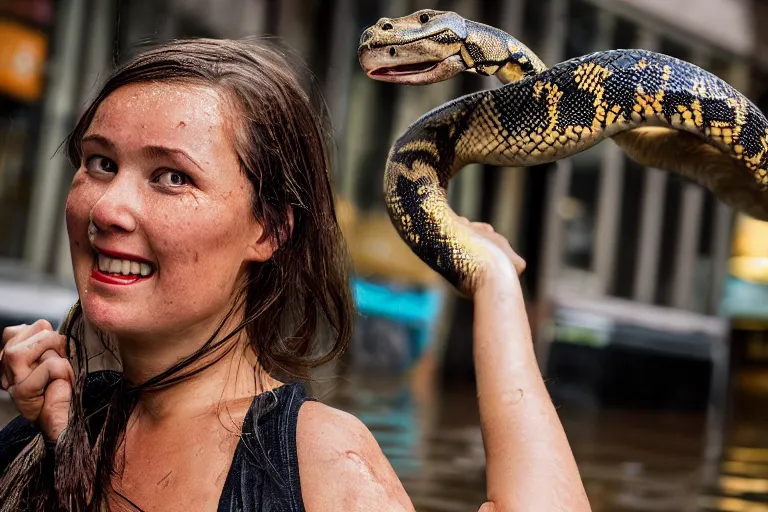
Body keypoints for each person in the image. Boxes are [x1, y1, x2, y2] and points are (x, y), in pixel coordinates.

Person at [0, 38, 591, 511]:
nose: (106, 209)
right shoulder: (48, 429)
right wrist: (56, 450)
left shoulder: (318, 466)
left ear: (269, 231)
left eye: (172, 177)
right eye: (100, 163)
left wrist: (492, 281)